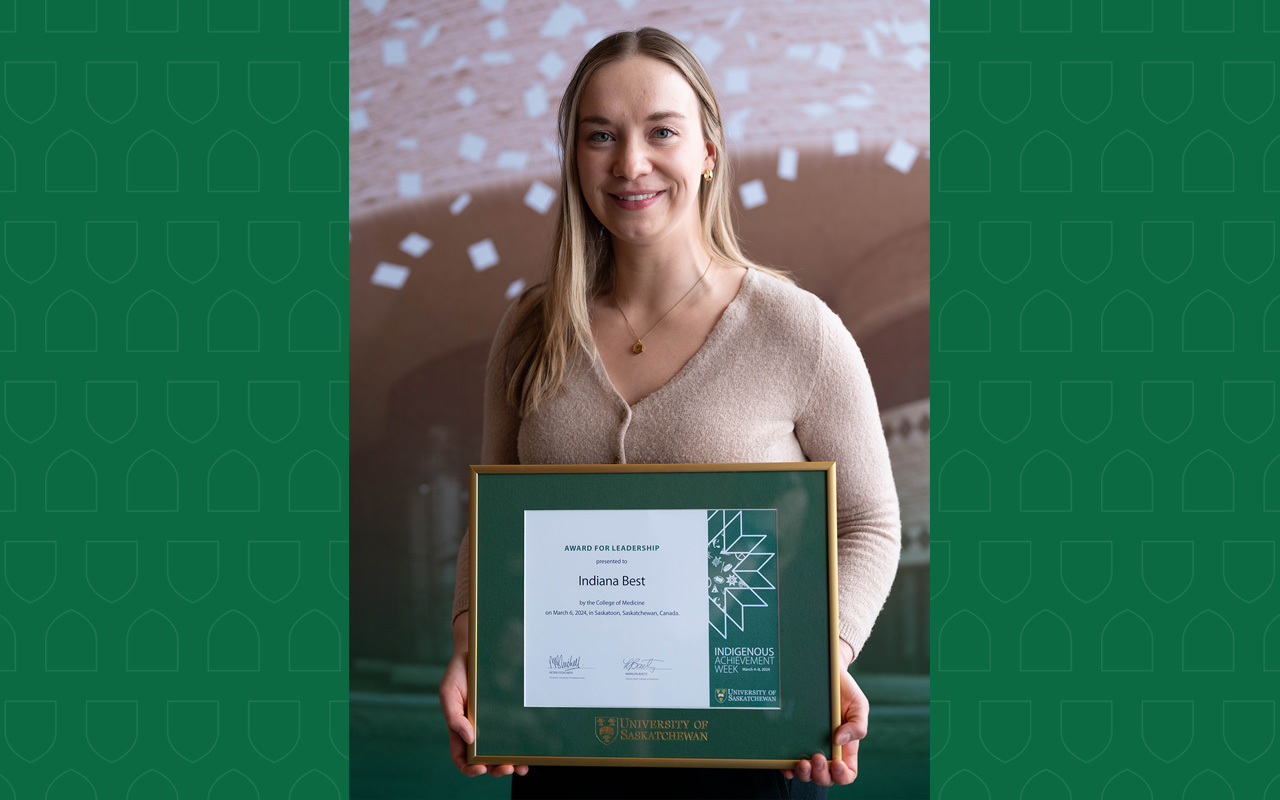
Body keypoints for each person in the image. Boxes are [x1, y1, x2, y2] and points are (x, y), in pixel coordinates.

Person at [438, 27, 901, 800]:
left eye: (661, 132)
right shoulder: (529, 329)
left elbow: (870, 521)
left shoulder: (797, 328)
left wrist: (829, 655)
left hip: (758, 755)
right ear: (574, 158)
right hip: (563, 757)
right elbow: (494, 517)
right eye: (600, 136)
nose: (629, 163)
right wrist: (469, 647)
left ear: (709, 151)